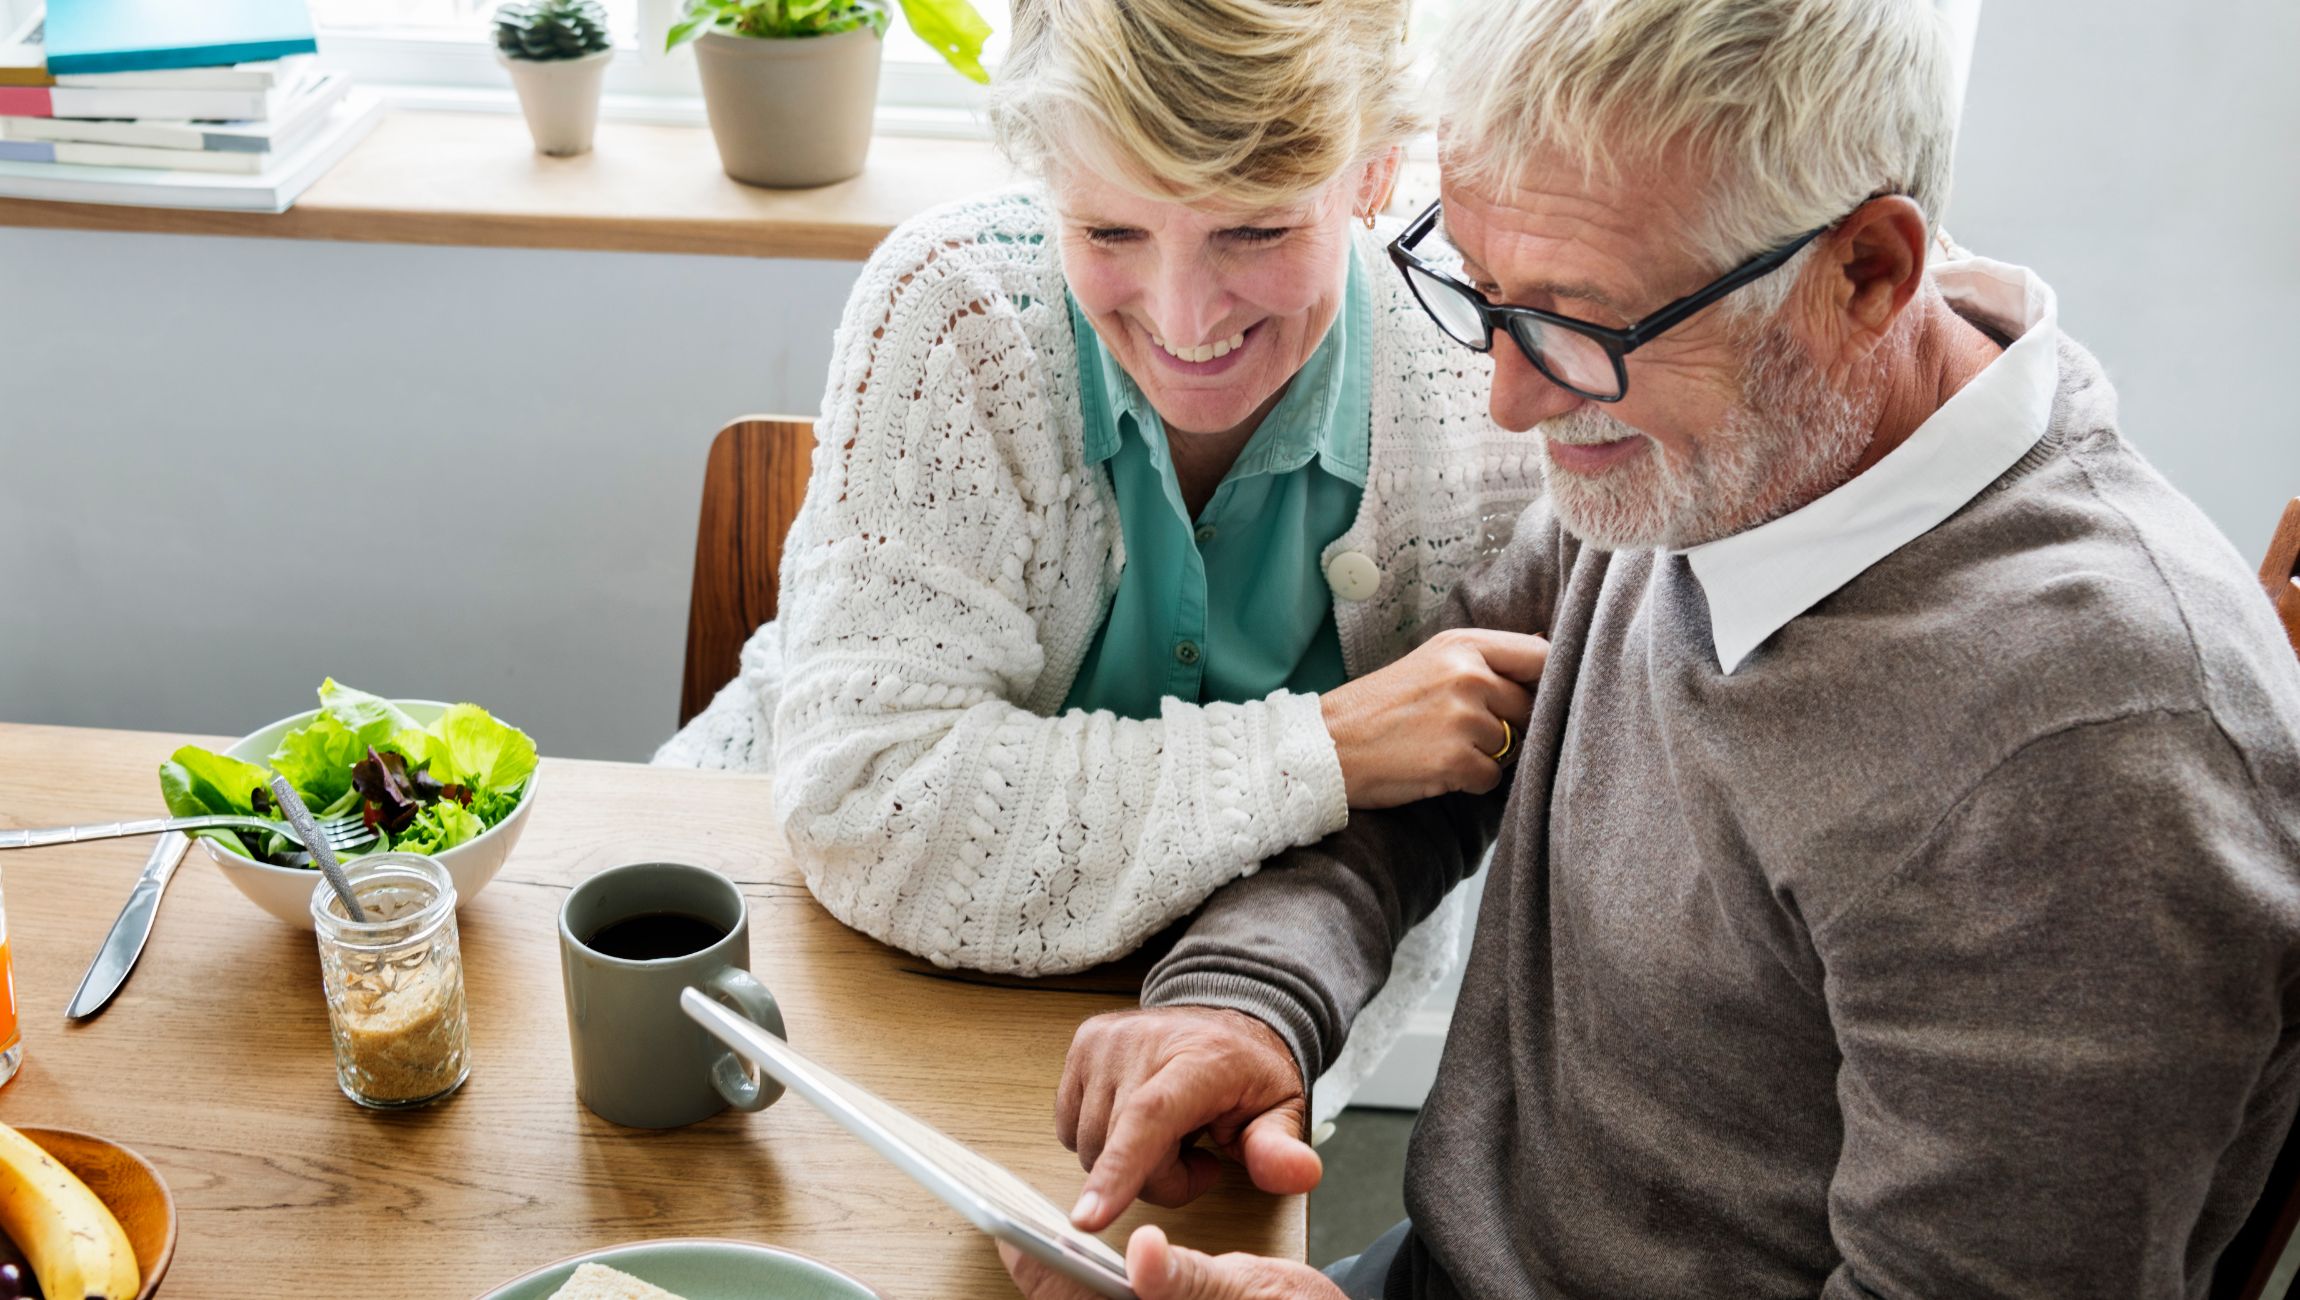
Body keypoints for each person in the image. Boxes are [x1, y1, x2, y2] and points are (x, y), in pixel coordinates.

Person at [1009, 0, 2300, 1296]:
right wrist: (1244, 1000)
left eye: (1581, 325)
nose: (1515, 401)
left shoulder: (2098, 772)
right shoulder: (1727, 441)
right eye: (1482, 290)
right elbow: (1423, 767)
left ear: (1868, 274)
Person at [655, 0, 1547, 1115]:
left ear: (1372, 173)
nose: (1183, 319)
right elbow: (869, 805)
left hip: (1230, 1011)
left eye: (1255, 232)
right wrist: (1326, 748)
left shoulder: (1494, 378)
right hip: (787, 938)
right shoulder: (955, 307)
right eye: (1109, 232)